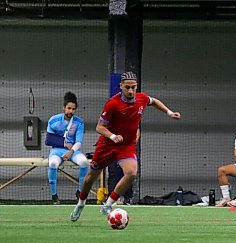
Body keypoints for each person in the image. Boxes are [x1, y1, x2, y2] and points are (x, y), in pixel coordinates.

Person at [70, 71, 181, 221]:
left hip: (126, 145)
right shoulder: (113, 103)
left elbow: (153, 101)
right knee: (90, 178)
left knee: (131, 172)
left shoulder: (141, 98)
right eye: (127, 87)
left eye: (133, 87)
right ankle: (81, 204)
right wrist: (113, 136)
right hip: (107, 145)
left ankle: (108, 204)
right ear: (120, 86)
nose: (130, 91)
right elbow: (99, 127)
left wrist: (169, 112)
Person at [46, 92, 89, 205]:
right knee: (53, 164)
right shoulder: (53, 120)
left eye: (73, 109)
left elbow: (78, 141)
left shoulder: (79, 122)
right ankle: (54, 195)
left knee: (84, 162)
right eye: (69, 108)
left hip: (73, 151)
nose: (71, 111)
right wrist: (64, 145)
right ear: (64, 108)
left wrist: (70, 152)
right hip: (56, 150)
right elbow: (49, 140)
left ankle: (79, 192)